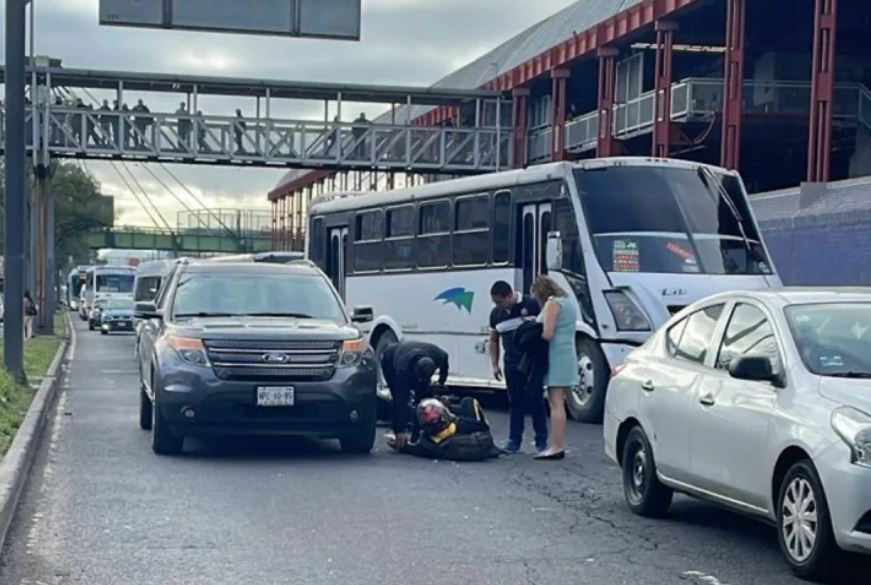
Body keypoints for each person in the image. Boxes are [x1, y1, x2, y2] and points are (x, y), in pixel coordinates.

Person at [489, 281, 548, 453]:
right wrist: (494, 364)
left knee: (536, 399)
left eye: (500, 302)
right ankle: (514, 440)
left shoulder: (531, 304)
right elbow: (494, 339)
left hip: (531, 360)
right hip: (511, 361)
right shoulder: (496, 314)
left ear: (509, 296)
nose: (498, 306)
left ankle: (541, 440)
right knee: (515, 402)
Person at [531, 275, 578, 461]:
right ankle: (559, 443)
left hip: (555, 353)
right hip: (568, 351)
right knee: (561, 401)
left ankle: (556, 446)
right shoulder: (569, 302)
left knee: (555, 402)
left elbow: (548, 333)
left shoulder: (552, 303)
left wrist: (534, 333)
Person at [380, 339, 449, 449]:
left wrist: (441, 382)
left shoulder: (439, 356)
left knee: (422, 397)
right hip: (390, 358)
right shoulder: (402, 369)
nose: (420, 381)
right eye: (419, 379)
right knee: (400, 396)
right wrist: (400, 431)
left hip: (415, 355)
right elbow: (400, 401)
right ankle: (400, 431)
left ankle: (417, 433)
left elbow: (445, 362)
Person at [389, 397, 500, 461]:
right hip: (479, 440)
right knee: (468, 401)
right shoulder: (460, 425)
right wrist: (453, 416)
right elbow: (482, 426)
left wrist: (402, 446)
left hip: (451, 441)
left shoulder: (427, 443)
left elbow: (414, 448)